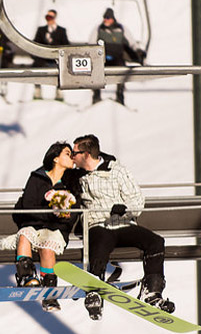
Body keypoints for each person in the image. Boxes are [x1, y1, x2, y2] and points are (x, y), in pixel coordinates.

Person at [71, 134, 169, 320]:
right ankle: (95, 289)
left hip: (122, 223)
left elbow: (137, 200)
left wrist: (125, 209)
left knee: (155, 241)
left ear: (85, 154)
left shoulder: (116, 171)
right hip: (98, 224)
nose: (72, 158)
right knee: (101, 240)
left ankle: (152, 290)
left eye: (74, 153)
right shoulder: (75, 176)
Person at [1, 142, 84, 312]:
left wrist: (64, 215)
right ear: (55, 158)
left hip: (57, 228)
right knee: (25, 236)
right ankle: (27, 277)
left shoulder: (72, 181)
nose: (72, 158)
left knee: (47, 249)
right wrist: (50, 213)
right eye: (68, 153)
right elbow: (28, 205)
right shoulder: (37, 178)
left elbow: (75, 207)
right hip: (33, 224)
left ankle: (49, 293)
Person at [88, 7, 145, 105]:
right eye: (105, 17)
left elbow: (132, 42)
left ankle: (120, 97)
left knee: (121, 71)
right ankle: (96, 96)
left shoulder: (121, 28)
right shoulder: (99, 29)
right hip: (102, 58)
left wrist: (138, 50)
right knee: (96, 72)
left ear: (113, 18)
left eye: (108, 18)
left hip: (117, 56)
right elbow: (91, 42)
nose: (106, 20)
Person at [31, 9, 70, 101]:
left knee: (62, 68)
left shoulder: (61, 31)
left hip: (56, 58)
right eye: (47, 17)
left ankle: (59, 90)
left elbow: (66, 44)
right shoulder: (41, 30)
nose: (49, 19)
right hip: (43, 58)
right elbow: (36, 43)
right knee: (36, 66)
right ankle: (37, 89)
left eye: (51, 17)